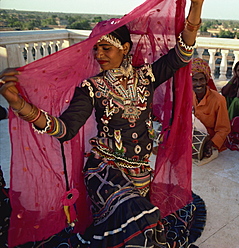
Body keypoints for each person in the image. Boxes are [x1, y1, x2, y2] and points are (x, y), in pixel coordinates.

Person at [0, 0, 206, 247]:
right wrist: (20, 106)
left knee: (137, 221)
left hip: (140, 173)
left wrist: (196, 6)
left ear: (125, 48)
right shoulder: (92, 88)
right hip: (103, 170)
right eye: (96, 49)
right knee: (138, 216)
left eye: (106, 48)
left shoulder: (147, 77)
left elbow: (182, 54)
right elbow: (65, 130)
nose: (99, 55)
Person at [191, 58, 230, 162]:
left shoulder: (219, 99)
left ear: (206, 80)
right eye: (194, 80)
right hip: (190, 136)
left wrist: (211, 144)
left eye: (201, 79)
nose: (198, 84)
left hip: (209, 139)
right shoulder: (188, 96)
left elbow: (224, 129)